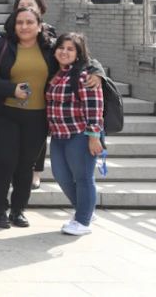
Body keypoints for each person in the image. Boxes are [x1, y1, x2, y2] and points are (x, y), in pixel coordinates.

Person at [0, 0, 103, 229]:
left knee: (26, 164)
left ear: (39, 26)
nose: (24, 26)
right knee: (5, 161)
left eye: (29, 22)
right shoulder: (0, 45)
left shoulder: (50, 47)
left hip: (37, 117)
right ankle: (0, 211)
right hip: (2, 114)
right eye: (20, 22)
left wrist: (97, 72)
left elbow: (80, 56)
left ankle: (18, 210)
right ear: (13, 24)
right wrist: (11, 89)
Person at [47, 32, 105, 236]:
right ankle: (85, 210)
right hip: (58, 135)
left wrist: (94, 136)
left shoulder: (85, 76)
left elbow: (94, 107)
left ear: (79, 53)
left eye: (70, 49)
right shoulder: (57, 73)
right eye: (61, 48)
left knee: (83, 178)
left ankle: (82, 221)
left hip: (80, 135)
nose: (64, 52)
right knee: (61, 175)